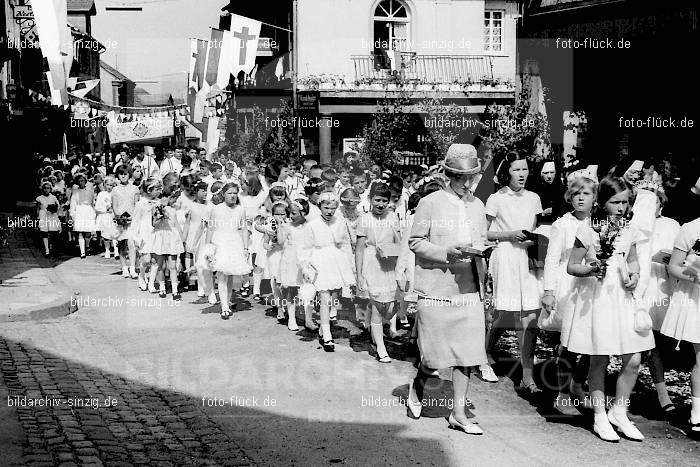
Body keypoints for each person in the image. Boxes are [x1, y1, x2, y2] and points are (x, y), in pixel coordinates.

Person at [407, 143, 488, 435]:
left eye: (470, 177)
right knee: (434, 356)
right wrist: (446, 252)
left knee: (467, 353)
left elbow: (480, 238)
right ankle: (417, 389)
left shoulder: (478, 206)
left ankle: (458, 413)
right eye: (459, 177)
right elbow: (415, 241)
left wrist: (482, 250)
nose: (466, 183)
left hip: (468, 288)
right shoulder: (431, 202)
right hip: (437, 287)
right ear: (448, 175)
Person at [565, 176, 653, 442]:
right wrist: (592, 269)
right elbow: (572, 266)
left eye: (625, 202)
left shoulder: (630, 229)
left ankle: (620, 411)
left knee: (634, 359)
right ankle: (600, 415)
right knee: (599, 357)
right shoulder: (588, 229)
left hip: (622, 298)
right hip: (598, 297)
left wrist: (634, 277)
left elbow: (634, 262)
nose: (621, 207)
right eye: (615, 202)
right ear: (602, 202)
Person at [484, 151, 543, 392]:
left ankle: (527, 374)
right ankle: (484, 351)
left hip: (527, 259)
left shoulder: (534, 198)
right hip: (505, 256)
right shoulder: (496, 199)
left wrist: (533, 241)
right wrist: (509, 234)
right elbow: (484, 233)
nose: (522, 174)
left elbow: (536, 229)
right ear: (507, 172)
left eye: (525, 169)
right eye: (517, 169)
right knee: (504, 313)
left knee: (529, 315)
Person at [540, 170, 597, 415]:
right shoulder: (562, 225)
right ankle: (561, 393)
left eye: (586, 193)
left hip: (592, 285)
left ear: (595, 197)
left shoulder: (599, 223)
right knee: (568, 342)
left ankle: (577, 384)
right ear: (569, 197)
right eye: (576, 194)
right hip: (567, 283)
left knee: (592, 340)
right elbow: (552, 260)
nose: (581, 198)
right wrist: (549, 290)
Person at [634, 189, 681, 418]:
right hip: (641, 285)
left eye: (657, 205)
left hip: (664, 285)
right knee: (646, 338)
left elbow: (680, 253)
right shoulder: (633, 224)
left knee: (661, 341)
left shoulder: (671, 225)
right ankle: (662, 393)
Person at [300, 192, 355, 351]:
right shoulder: (312, 224)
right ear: (320, 207)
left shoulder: (340, 222)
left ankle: (323, 327)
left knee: (332, 298)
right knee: (324, 297)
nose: (329, 211)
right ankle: (327, 334)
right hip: (319, 261)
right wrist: (305, 267)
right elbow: (306, 248)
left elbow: (345, 243)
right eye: (326, 207)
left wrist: (348, 265)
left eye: (332, 208)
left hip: (336, 262)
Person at [661, 215, 700, 436]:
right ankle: (697, 415)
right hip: (696, 298)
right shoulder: (691, 228)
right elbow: (673, 267)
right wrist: (695, 276)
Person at [356, 182, 401, 363]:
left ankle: (369, 317)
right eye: (377, 200)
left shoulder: (393, 217)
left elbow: (400, 242)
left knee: (389, 309)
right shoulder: (364, 219)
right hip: (372, 263)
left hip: (389, 263)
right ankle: (381, 347)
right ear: (370, 199)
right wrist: (359, 274)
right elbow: (359, 249)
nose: (381, 204)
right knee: (378, 306)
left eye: (384, 200)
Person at [206, 182, 252, 319]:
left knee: (230, 274)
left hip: (234, 242)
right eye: (229, 193)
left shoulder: (240, 209)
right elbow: (211, 228)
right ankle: (224, 307)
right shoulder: (217, 209)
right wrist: (208, 247)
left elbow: (244, 229)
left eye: (234, 193)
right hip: (220, 241)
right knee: (221, 274)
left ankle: (227, 301)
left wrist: (245, 247)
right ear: (223, 194)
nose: (232, 196)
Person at [278, 199, 316, 331]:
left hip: (306, 260)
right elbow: (281, 242)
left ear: (303, 212)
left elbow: (313, 243)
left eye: (293, 213)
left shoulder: (310, 226)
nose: (290, 216)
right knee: (292, 290)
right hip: (291, 260)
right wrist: (280, 227)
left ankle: (308, 319)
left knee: (309, 290)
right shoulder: (287, 226)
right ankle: (292, 319)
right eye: (289, 213)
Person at [150, 184, 186, 300]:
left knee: (172, 265)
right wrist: (159, 217)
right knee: (160, 265)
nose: (175, 200)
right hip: (161, 236)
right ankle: (162, 288)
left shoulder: (172, 209)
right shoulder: (156, 207)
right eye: (173, 198)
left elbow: (176, 224)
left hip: (171, 237)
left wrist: (182, 239)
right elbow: (153, 224)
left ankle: (175, 290)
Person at [112, 165, 140, 278]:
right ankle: (124, 268)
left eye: (125, 173)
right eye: (120, 174)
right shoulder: (115, 189)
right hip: (120, 220)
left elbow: (136, 204)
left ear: (129, 174)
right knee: (122, 244)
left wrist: (133, 217)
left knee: (132, 244)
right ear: (118, 176)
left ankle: (132, 268)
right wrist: (119, 217)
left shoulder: (134, 188)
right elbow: (114, 205)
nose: (123, 176)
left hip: (132, 219)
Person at [69, 173, 96, 259]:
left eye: (82, 181)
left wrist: (93, 213)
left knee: (88, 232)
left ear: (85, 181)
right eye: (79, 181)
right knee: (80, 231)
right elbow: (73, 203)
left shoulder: (90, 191)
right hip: (79, 211)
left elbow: (92, 203)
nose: (81, 183)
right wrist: (72, 214)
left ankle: (87, 246)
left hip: (88, 211)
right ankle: (82, 252)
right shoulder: (75, 192)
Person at [94, 176, 119, 259]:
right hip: (104, 216)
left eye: (111, 185)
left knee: (114, 233)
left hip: (113, 216)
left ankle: (116, 251)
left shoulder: (115, 194)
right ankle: (107, 250)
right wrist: (105, 209)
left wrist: (113, 209)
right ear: (104, 185)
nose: (109, 187)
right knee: (105, 234)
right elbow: (97, 207)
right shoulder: (101, 194)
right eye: (107, 185)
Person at [36, 181, 61, 257]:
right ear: (42, 189)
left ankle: (52, 248)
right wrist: (37, 218)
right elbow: (37, 209)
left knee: (53, 233)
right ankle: (47, 250)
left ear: (50, 189)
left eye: (48, 188)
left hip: (52, 216)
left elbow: (58, 206)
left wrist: (54, 208)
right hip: (43, 215)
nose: (46, 190)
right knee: (44, 233)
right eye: (44, 188)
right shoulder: (39, 198)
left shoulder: (53, 197)